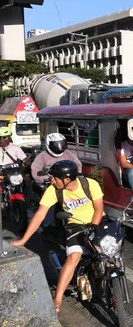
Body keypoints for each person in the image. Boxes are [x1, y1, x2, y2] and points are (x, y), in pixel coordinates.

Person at [11, 160, 104, 314]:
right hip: (74, 225)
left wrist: (93, 229)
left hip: (95, 222)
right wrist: (24, 240)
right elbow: (40, 215)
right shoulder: (53, 190)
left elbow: (99, 209)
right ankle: (58, 298)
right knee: (73, 257)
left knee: (111, 250)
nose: (51, 180)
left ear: (66, 179)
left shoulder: (90, 184)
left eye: (54, 177)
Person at [30, 133, 83, 229]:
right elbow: (35, 171)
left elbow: (78, 165)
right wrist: (46, 178)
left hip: (66, 183)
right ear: (48, 145)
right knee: (50, 205)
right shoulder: (42, 157)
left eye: (61, 144)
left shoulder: (68, 154)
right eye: (55, 145)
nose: (59, 147)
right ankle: (47, 225)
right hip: (51, 184)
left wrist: (76, 174)